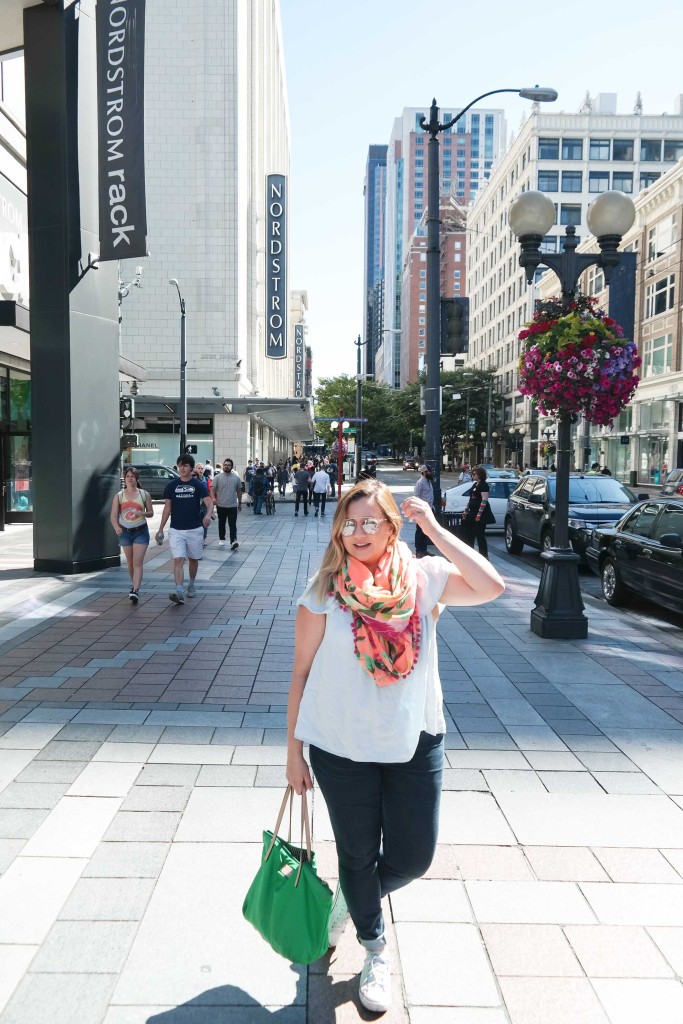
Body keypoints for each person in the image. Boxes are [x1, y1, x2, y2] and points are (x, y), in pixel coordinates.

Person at [286, 478, 504, 1013]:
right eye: (350, 523)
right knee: (357, 854)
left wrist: (434, 527)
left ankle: (352, 898)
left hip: (415, 739)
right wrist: (293, 752)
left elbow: (492, 585)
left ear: (392, 526)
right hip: (339, 745)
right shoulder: (325, 590)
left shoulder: (424, 580)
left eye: (372, 523)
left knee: (413, 856)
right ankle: (374, 949)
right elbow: (301, 673)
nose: (359, 533)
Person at [156, 454, 212, 604]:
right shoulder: (171, 486)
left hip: (194, 528)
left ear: (191, 468)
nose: (182, 468)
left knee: (193, 559)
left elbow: (209, 503)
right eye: (180, 465)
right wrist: (160, 529)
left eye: (185, 465)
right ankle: (179, 591)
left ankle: (191, 585)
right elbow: (167, 509)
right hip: (176, 529)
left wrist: (208, 515)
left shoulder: (198, 485)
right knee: (178, 559)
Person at [110, 467, 154, 604]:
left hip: (141, 530)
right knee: (130, 562)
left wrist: (143, 513)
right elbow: (113, 516)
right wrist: (117, 527)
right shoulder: (119, 495)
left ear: (137, 478)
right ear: (125, 478)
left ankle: (135, 590)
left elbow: (151, 512)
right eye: (128, 476)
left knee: (137, 561)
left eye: (132, 476)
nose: (130, 478)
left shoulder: (144, 494)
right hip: (125, 532)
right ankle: (134, 585)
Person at [461, 465, 493, 559]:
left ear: (480, 475)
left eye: (474, 474)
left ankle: (484, 556)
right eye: (472, 473)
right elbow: (471, 499)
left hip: (481, 515)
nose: (473, 475)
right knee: (469, 534)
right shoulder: (474, 484)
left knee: (479, 535)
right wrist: (466, 510)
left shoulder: (484, 485)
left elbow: (484, 500)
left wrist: (479, 514)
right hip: (472, 513)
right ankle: (469, 555)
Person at [213, 458, 242, 549]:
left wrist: (240, 503)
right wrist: (213, 499)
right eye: (225, 465)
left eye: (228, 465)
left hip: (232, 505)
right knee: (221, 523)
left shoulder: (236, 478)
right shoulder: (217, 477)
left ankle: (233, 541)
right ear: (223, 466)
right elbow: (212, 489)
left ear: (231, 467)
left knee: (232, 524)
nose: (226, 466)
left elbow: (239, 491)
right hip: (221, 504)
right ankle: (222, 538)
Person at [413, 465, 434, 558]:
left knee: (425, 531)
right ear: (424, 472)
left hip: (429, 509)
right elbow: (417, 496)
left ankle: (424, 549)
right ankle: (419, 550)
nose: (431, 473)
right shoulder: (420, 483)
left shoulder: (428, 482)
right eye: (429, 471)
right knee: (420, 531)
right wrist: (418, 509)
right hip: (421, 510)